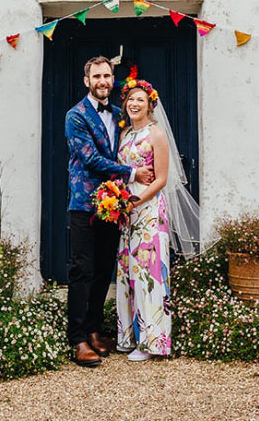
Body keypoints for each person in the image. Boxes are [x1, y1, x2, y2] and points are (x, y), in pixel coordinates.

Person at [64, 56, 154, 368]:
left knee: (104, 270)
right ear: (86, 81)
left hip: (113, 207)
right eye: (97, 76)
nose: (103, 81)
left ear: (112, 79)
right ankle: (77, 338)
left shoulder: (118, 115)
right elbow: (90, 158)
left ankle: (93, 329)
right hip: (84, 205)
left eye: (107, 76)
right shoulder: (75, 116)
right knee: (81, 270)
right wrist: (132, 173)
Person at [114, 77, 172, 360]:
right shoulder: (124, 136)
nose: (134, 104)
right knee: (127, 271)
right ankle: (128, 336)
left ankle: (152, 343)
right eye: (131, 99)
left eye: (141, 100)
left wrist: (135, 200)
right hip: (126, 212)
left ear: (150, 105)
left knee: (148, 272)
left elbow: (161, 179)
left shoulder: (155, 134)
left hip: (147, 210)